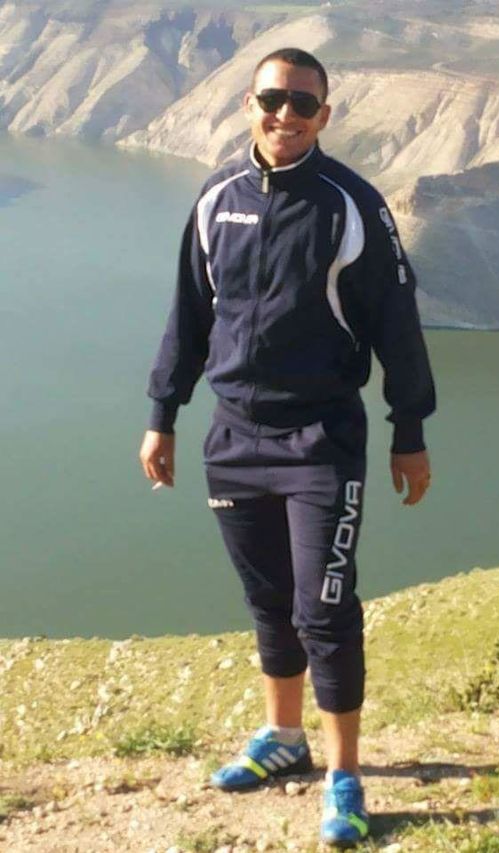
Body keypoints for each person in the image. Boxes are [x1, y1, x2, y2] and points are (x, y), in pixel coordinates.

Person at [139, 47, 436, 848]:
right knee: (270, 601)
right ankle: (283, 736)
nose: (286, 115)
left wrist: (409, 431)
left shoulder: (351, 205)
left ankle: (344, 774)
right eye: (273, 99)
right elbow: (189, 314)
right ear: (249, 103)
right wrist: (163, 412)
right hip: (232, 435)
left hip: (319, 440)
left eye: (303, 104)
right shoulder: (217, 198)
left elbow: (397, 325)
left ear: (324, 116)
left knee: (325, 607)